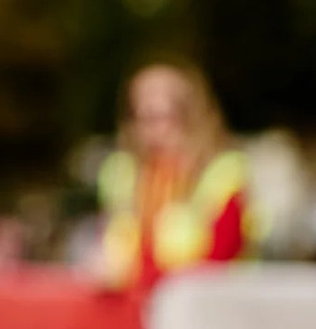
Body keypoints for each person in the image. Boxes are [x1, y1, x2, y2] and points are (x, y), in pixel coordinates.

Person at [97, 62, 256, 293]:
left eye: (163, 117)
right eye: (142, 118)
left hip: (205, 303)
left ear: (191, 117)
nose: (155, 131)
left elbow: (220, 260)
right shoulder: (122, 174)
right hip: (138, 303)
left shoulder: (223, 175)